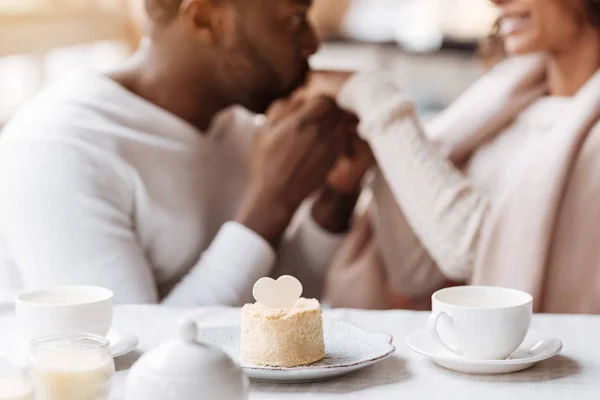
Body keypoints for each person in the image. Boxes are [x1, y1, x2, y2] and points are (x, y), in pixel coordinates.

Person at [0, 0, 373, 305]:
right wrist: (268, 205)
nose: (312, 43)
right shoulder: (61, 148)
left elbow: (266, 306)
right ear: (205, 18)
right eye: (294, 18)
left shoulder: (236, 125)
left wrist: (334, 201)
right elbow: (134, 361)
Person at [317, 0, 600, 313]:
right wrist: (386, 153)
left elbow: (481, 256)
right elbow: (416, 276)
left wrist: (373, 97)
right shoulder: (501, 105)